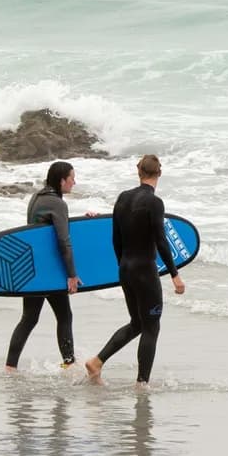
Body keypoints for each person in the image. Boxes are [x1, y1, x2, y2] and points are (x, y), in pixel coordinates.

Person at [85, 155, 185, 386]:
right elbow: (161, 241)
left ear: (138, 171)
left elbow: (115, 239)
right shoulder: (154, 203)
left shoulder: (123, 198)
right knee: (151, 326)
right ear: (159, 173)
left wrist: (123, 266)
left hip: (126, 268)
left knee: (138, 323)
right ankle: (142, 384)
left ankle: (97, 362)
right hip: (144, 270)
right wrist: (175, 274)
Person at [5, 160, 81, 371]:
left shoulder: (37, 198)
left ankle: (10, 367)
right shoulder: (58, 204)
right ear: (61, 180)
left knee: (29, 318)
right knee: (64, 316)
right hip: (49, 271)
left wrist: (86, 221)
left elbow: (47, 231)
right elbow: (63, 241)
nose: (74, 182)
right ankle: (69, 365)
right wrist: (72, 274)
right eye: (72, 178)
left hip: (31, 269)